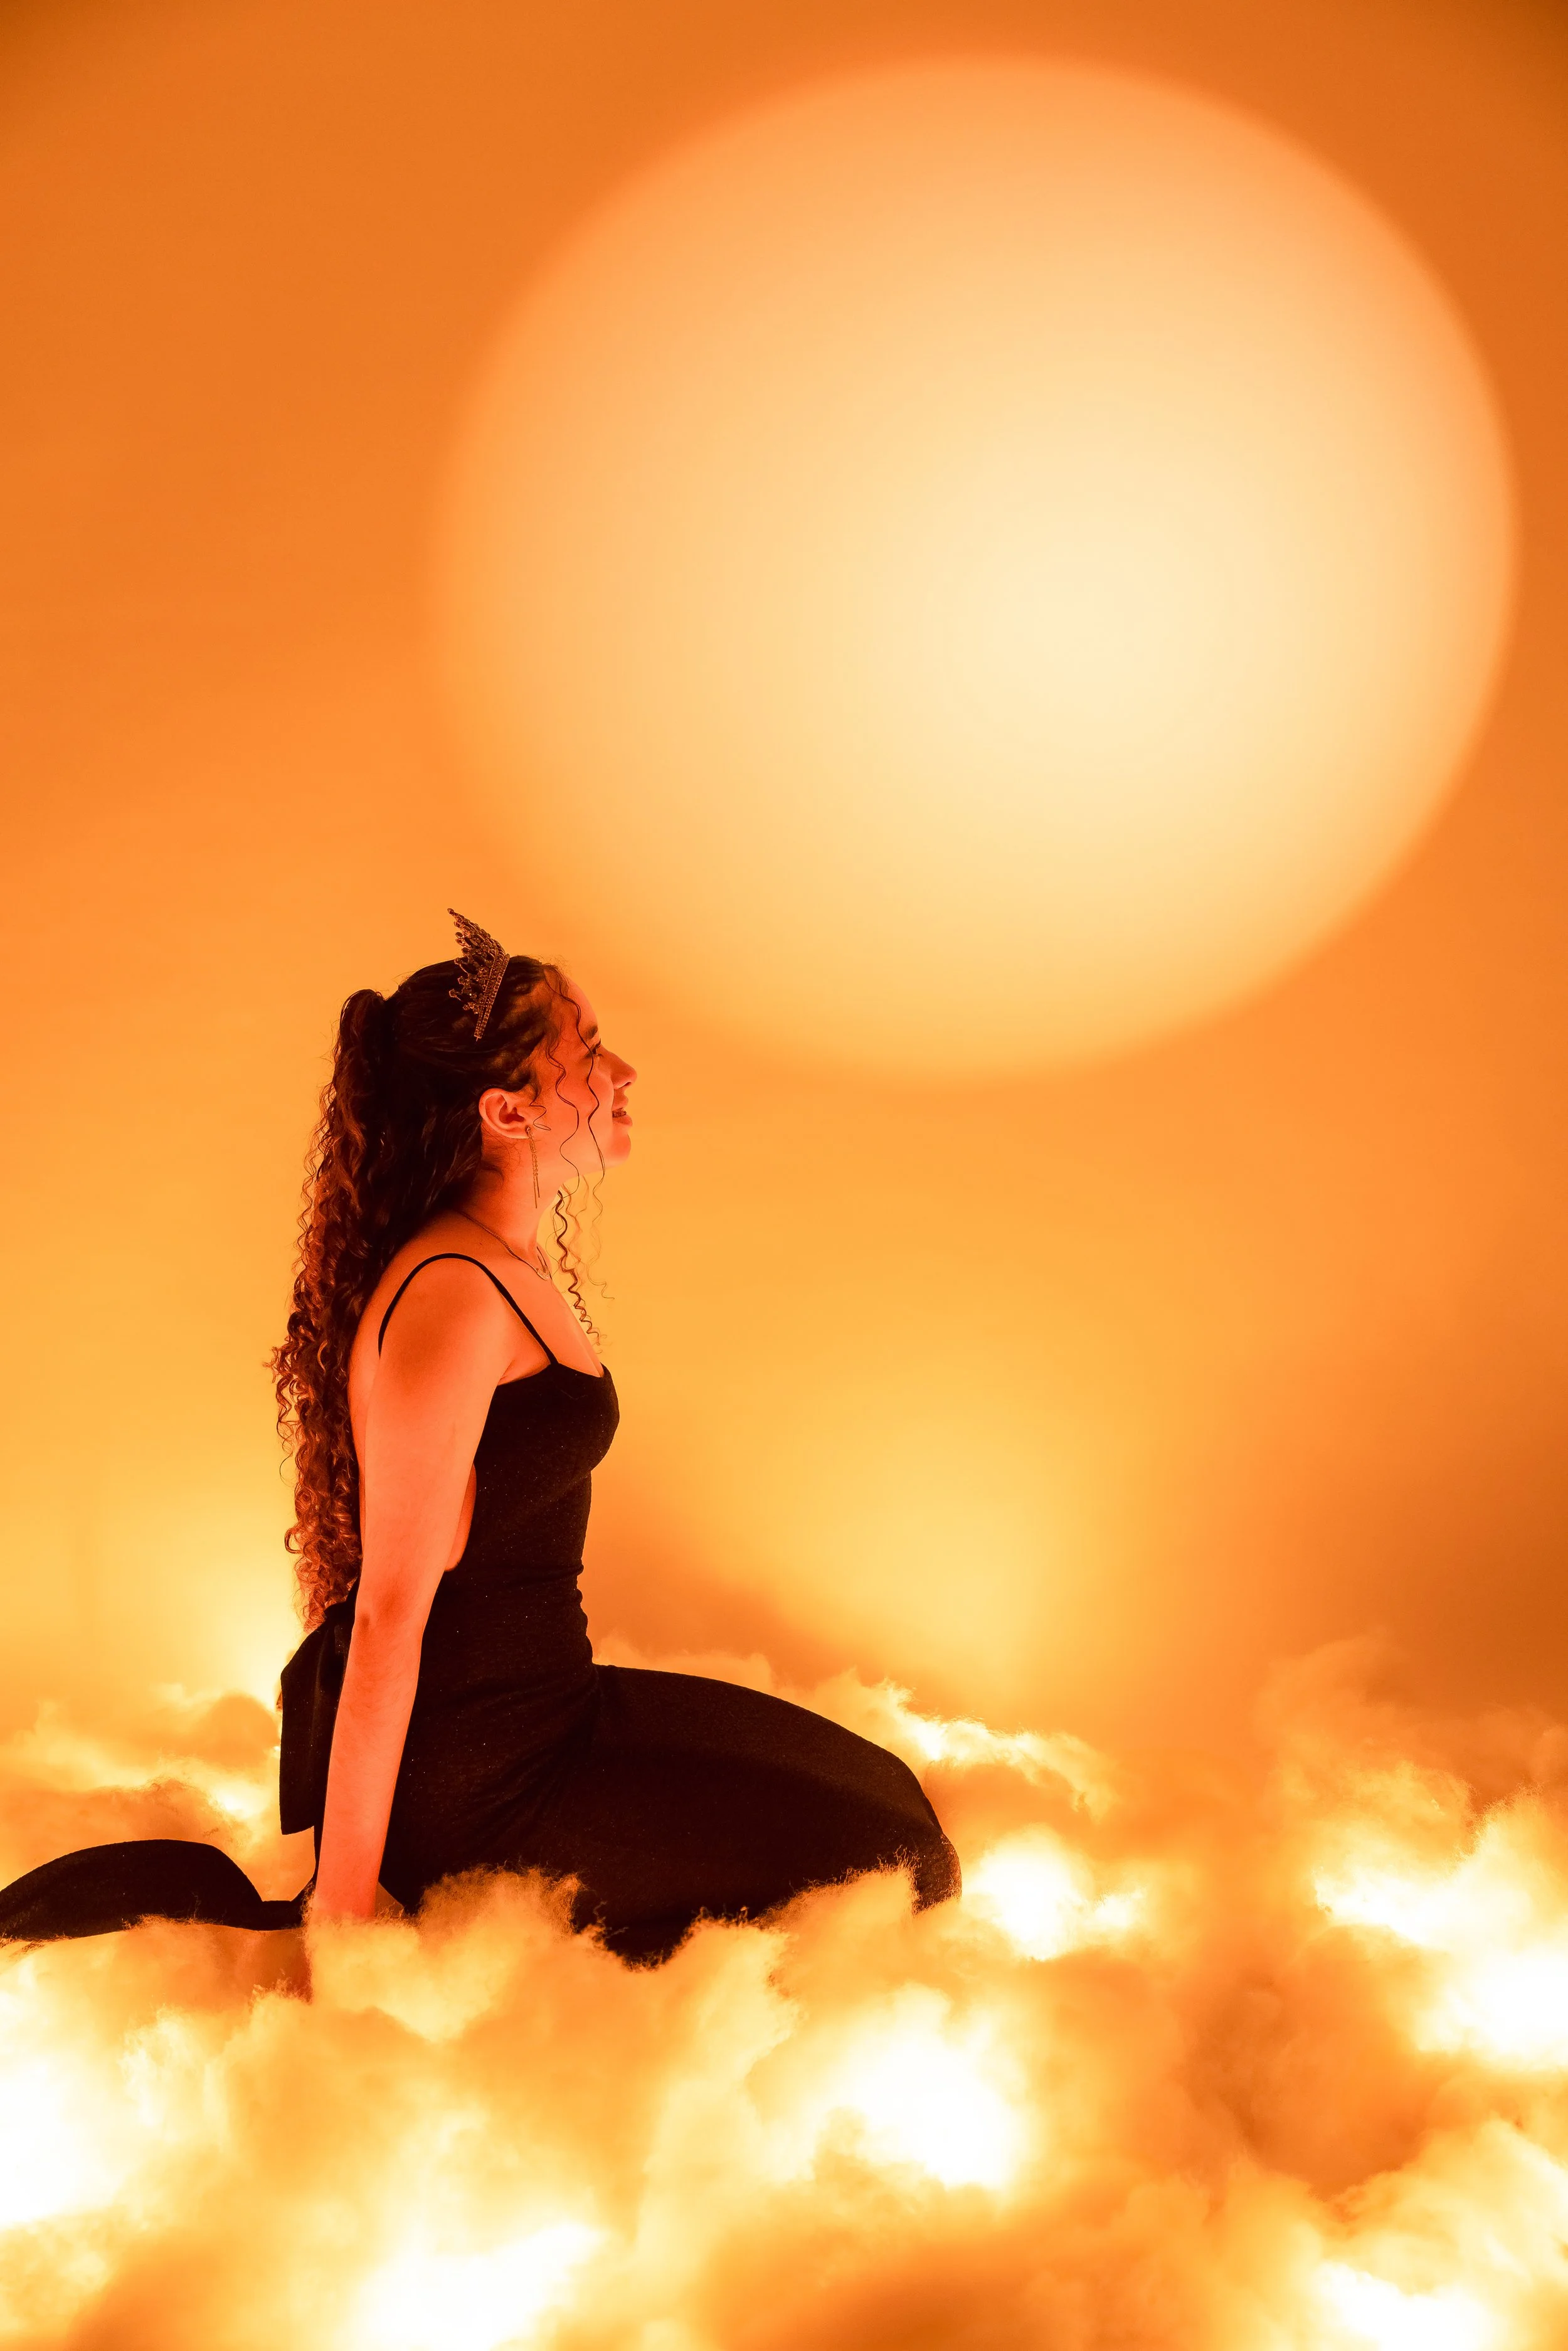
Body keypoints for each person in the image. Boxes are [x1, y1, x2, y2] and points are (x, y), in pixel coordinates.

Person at [0, 915, 959, 1960]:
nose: (624, 1069)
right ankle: (541, 1962)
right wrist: (345, 1911)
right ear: (508, 1109)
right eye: (588, 1050)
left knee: (895, 1799)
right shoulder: (452, 1302)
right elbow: (387, 1623)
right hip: (482, 1786)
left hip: (561, 1708)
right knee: (908, 1865)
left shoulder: (498, 1261)